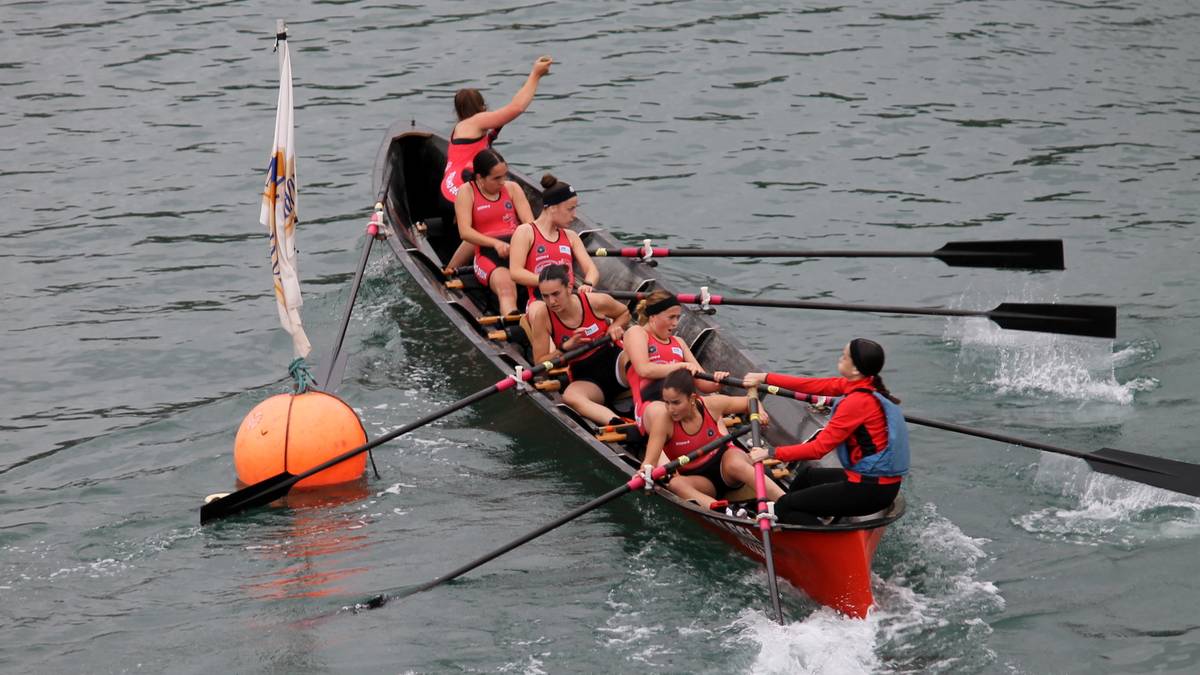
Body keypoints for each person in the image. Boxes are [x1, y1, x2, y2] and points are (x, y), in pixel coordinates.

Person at [743, 338, 910, 524]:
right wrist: (764, 378)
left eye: (844, 356)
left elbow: (818, 449)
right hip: (880, 485)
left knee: (784, 506)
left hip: (870, 491)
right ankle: (800, 515)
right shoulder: (865, 383)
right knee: (807, 476)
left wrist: (770, 452)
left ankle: (816, 534)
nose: (840, 358)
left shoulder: (856, 403)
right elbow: (813, 385)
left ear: (855, 369)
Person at [442, 56, 553, 270]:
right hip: (460, 185)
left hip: (451, 185)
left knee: (482, 222)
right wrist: (535, 75)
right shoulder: (475, 121)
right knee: (480, 226)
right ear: (482, 107)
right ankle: (451, 270)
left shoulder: (465, 128)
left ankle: (452, 268)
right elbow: (517, 107)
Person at [641, 370, 785, 510]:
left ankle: (785, 501)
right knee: (675, 484)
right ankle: (725, 513)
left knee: (735, 463)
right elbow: (649, 462)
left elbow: (750, 402)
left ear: (691, 399)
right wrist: (643, 473)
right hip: (702, 481)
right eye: (666, 403)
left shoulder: (711, 405)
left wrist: (760, 412)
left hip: (726, 464)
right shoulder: (663, 422)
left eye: (676, 403)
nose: (670, 409)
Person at [526, 265, 629, 425]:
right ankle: (618, 424)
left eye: (556, 294)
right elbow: (540, 364)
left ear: (568, 287)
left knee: (635, 352)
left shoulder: (595, 301)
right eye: (545, 296)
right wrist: (565, 348)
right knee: (570, 397)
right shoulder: (543, 317)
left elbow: (624, 313)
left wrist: (616, 326)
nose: (551, 302)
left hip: (614, 361)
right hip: (586, 376)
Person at [621, 290, 725, 430]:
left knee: (719, 410)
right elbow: (644, 370)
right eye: (671, 317)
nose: (676, 323)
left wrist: (718, 381)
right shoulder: (637, 333)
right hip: (650, 406)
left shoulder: (679, 342)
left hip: (683, 406)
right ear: (653, 316)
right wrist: (681, 366)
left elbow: (704, 385)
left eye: (677, 317)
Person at [455, 148, 534, 316]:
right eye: (496, 178)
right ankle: (513, 328)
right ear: (480, 178)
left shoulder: (513, 188)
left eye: (505, 175)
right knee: (507, 289)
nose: (502, 182)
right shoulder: (467, 192)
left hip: (518, 250)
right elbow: (465, 232)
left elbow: (530, 225)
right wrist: (496, 243)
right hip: (488, 255)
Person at [508, 173, 599, 304]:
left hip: (568, 300)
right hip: (540, 302)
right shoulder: (525, 232)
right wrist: (551, 283)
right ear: (552, 208)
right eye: (570, 209)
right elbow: (516, 273)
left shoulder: (571, 236)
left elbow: (592, 270)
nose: (574, 215)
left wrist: (588, 284)